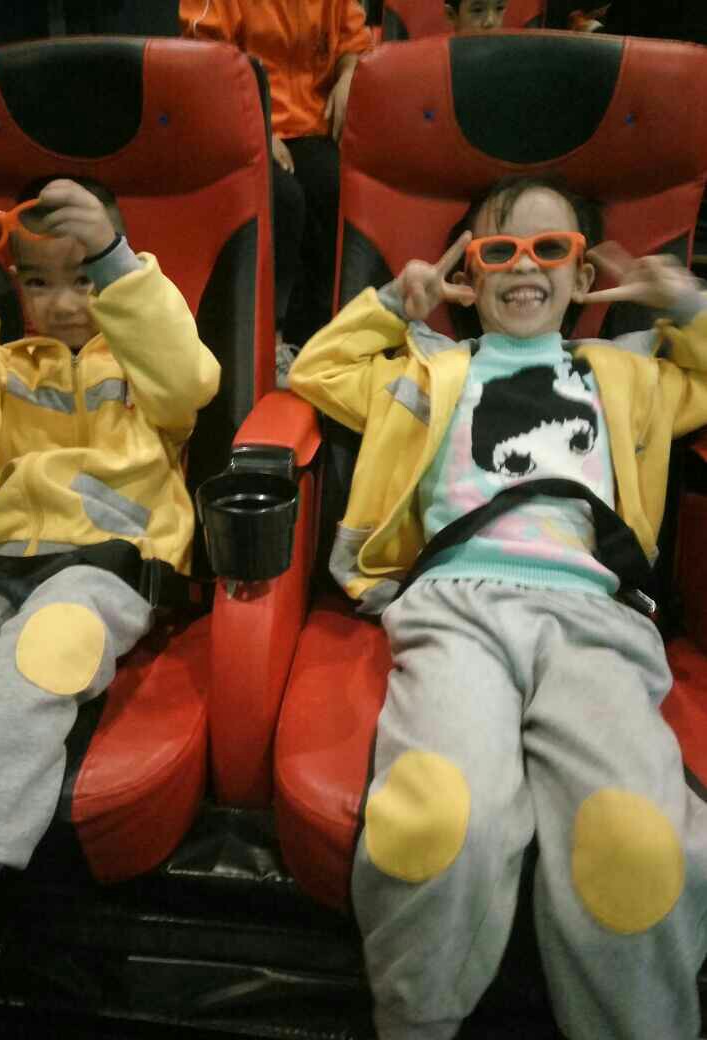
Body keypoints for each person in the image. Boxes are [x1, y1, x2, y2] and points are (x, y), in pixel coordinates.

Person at [288, 174, 707, 1039]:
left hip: (595, 615)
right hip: (455, 604)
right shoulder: (428, 370)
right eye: (498, 251)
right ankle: (416, 1021)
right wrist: (394, 304)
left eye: (550, 250)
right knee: (442, 821)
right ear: (470, 276)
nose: (524, 267)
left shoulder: (629, 376)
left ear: (582, 276)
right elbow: (319, 371)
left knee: (636, 845)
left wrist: (686, 306)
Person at [0, 177, 220, 1033]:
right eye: (38, 282)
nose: (62, 303)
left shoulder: (143, 365)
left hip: (107, 565)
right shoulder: (9, 363)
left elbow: (191, 380)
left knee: (33, 662)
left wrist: (116, 264)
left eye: (82, 279)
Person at [179, 0, 373, 377]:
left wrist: (350, 72)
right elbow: (206, 62)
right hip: (239, 120)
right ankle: (270, 342)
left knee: (335, 189)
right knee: (283, 199)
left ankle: (319, 341)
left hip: (311, 123)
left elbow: (354, 40)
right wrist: (257, 126)